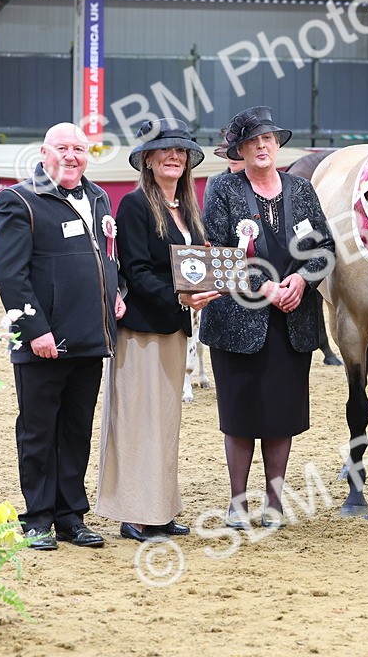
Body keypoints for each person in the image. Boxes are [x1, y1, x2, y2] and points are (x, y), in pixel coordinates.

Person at [199, 106, 334, 529]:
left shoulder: (302, 189)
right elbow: (216, 251)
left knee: (281, 415)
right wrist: (266, 288)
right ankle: (237, 503)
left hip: (293, 322)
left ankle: (274, 503)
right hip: (237, 322)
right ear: (239, 150)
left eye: (268, 139)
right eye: (253, 141)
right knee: (240, 415)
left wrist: (302, 281)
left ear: (277, 145)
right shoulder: (222, 189)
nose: (262, 146)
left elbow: (324, 248)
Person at [0, 122, 125, 550]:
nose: (71, 156)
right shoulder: (19, 200)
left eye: (79, 149)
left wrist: (116, 292)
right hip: (44, 343)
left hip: (90, 337)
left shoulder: (99, 197)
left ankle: (70, 517)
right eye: (62, 148)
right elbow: (10, 275)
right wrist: (35, 331)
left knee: (75, 431)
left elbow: (107, 256)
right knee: (38, 432)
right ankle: (37, 518)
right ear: (44, 153)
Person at [95, 119, 220, 542]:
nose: (174, 156)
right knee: (138, 422)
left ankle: (159, 510)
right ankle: (134, 514)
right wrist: (180, 296)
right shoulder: (135, 205)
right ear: (148, 159)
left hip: (174, 328)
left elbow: (189, 267)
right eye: (165, 150)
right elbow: (137, 271)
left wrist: (207, 274)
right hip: (141, 331)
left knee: (164, 423)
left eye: (181, 151)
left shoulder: (188, 210)